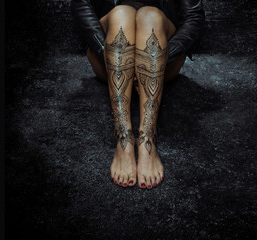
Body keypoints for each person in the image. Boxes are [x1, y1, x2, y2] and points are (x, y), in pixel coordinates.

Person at [71, 0, 205, 189]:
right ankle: (123, 141)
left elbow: (194, 18)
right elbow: (80, 7)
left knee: (150, 15)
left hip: (162, 61)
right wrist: (113, 58)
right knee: (122, 13)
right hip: (109, 58)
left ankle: (147, 142)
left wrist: (158, 59)